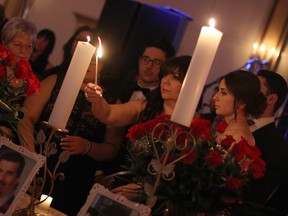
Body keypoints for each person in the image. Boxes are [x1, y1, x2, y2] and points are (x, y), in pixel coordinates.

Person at [18, 26, 125, 215]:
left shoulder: (111, 102)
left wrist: (87, 146)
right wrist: (31, 158)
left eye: (93, 61)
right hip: (40, 163)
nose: (87, 64)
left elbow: (112, 149)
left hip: (75, 179)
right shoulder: (54, 80)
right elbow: (26, 117)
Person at [85, 55, 191, 197]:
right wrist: (97, 99)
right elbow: (108, 114)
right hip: (121, 188)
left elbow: (183, 178)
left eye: (175, 77)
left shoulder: (193, 127)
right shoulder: (144, 107)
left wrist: (143, 189)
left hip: (157, 199)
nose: (166, 81)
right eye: (165, 75)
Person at [246, 69, 288, 215]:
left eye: (255, 89)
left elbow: (256, 198)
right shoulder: (232, 124)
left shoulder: (277, 148)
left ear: (271, 99)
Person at [0, 17, 38, 142]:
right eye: (17, 45)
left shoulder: (32, 80)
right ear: (5, 44)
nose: (23, 51)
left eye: (28, 46)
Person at [212, 70, 267, 146]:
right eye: (218, 91)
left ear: (241, 103)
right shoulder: (228, 127)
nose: (215, 97)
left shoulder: (241, 138)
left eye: (223, 93)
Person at [117, 36, 175, 103]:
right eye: (145, 59)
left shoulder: (163, 101)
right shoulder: (121, 88)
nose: (149, 66)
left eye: (157, 62)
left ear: (166, 67)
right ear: (139, 61)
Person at [0, 149, 25, 214]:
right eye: (0, 171)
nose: (1, 178)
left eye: (9, 173)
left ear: (18, 179)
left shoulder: (11, 210)